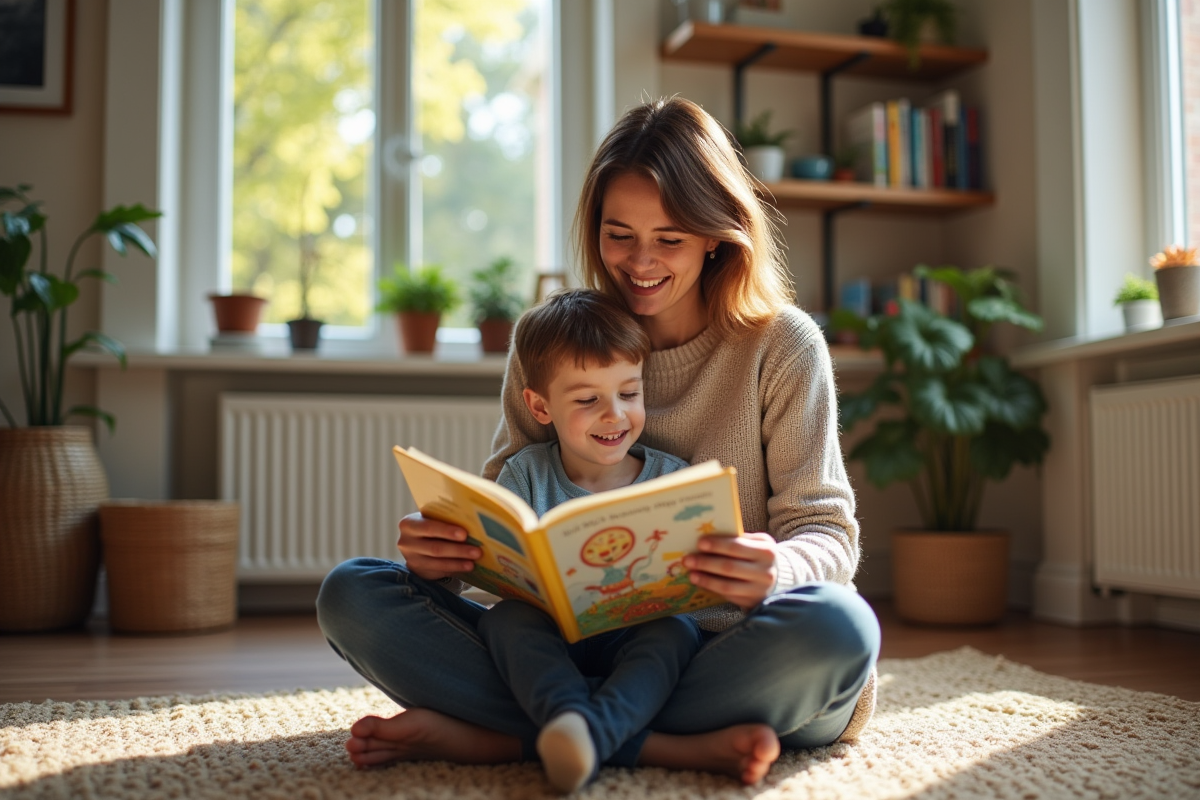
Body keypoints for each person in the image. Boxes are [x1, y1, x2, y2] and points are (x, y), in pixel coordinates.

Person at [316, 95, 881, 787]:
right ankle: (651, 740)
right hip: (559, 650)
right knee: (353, 593)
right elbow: (506, 520)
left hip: (719, 653)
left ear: (716, 235)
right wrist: (449, 553)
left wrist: (780, 568)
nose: (640, 263)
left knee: (841, 629)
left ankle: (511, 735)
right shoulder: (557, 341)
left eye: (669, 238)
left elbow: (827, 534)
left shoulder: (783, 346)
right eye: (619, 235)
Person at [479, 287, 702, 792]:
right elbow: (501, 567)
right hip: (550, 635)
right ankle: (571, 720)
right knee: (506, 621)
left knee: (677, 632)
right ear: (539, 406)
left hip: (637, 631)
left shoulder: (674, 479)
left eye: (629, 393)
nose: (615, 415)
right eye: (587, 400)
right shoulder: (524, 475)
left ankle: (584, 733)